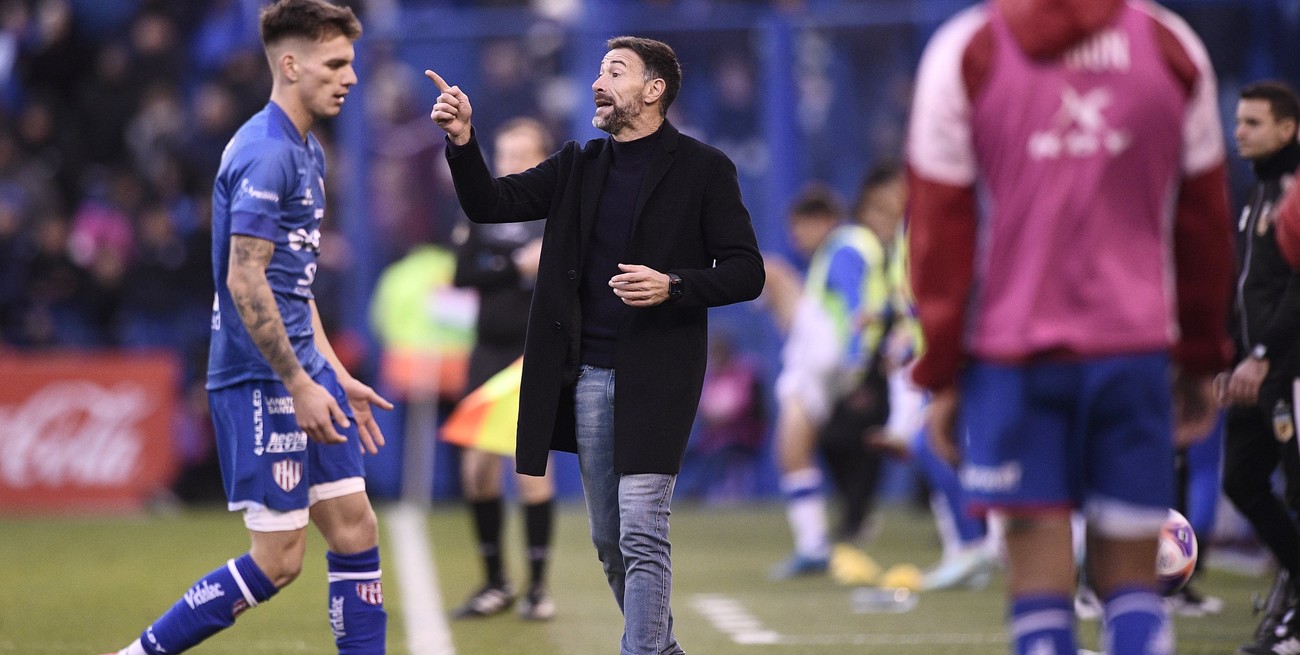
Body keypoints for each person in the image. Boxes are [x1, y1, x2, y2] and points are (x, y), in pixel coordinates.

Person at [906, 2, 1233, 655]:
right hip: (1135, 348)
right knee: (1135, 584)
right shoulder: (1171, 44)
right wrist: (1201, 355)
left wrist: (941, 371)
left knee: (1038, 589)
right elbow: (1204, 220)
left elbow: (939, 231)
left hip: (1012, 359)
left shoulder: (966, 50)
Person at [426, 35, 764, 655]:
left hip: (659, 376)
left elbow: (747, 271)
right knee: (610, 541)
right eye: (600, 71)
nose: (596, 83)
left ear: (653, 90)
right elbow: (489, 203)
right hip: (587, 378)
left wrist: (674, 285)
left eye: (615, 71)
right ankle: (661, 648)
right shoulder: (578, 164)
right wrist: (463, 140)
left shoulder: (705, 168)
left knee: (641, 530)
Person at [101, 2, 392, 654]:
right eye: (335, 64)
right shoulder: (266, 154)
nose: (350, 77)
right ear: (290, 65)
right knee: (279, 559)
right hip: (263, 378)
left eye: (351, 63)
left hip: (303, 373)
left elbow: (294, 284)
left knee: (355, 528)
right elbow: (245, 278)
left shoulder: (308, 151)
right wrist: (299, 382)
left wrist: (333, 374)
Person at [448, 116, 558, 621]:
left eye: (522, 154)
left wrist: (544, 264)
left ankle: (538, 588)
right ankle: (495, 582)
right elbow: (462, 273)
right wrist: (515, 266)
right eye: (505, 153)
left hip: (533, 353)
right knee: (476, 471)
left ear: (542, 159)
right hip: (488, 353)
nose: (511, 163)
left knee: (531, 470)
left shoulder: (556, 212)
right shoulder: (481, 208)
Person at [768, 180, 892, 584]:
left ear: (822, 220)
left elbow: (859, 308)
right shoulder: (845, 248)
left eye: (800, 226)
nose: (796, 237)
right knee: (793, 452)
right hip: (827, 362)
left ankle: (814, 546)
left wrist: (857, 366)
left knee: (770, 271)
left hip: (828, 362)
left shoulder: (844, 247)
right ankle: (814, 545)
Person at [1220, 80, 1300, 654]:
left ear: (1287, 129)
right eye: (1238, 121)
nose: (1239, 132)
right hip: (1253, 371)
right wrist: (1231, 357)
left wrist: (1264, 353)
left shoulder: (1294, 191)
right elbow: (1249, 288)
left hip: (1288, 369)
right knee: (1241, 481)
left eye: (1253, 123)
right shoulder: (1258, 191)